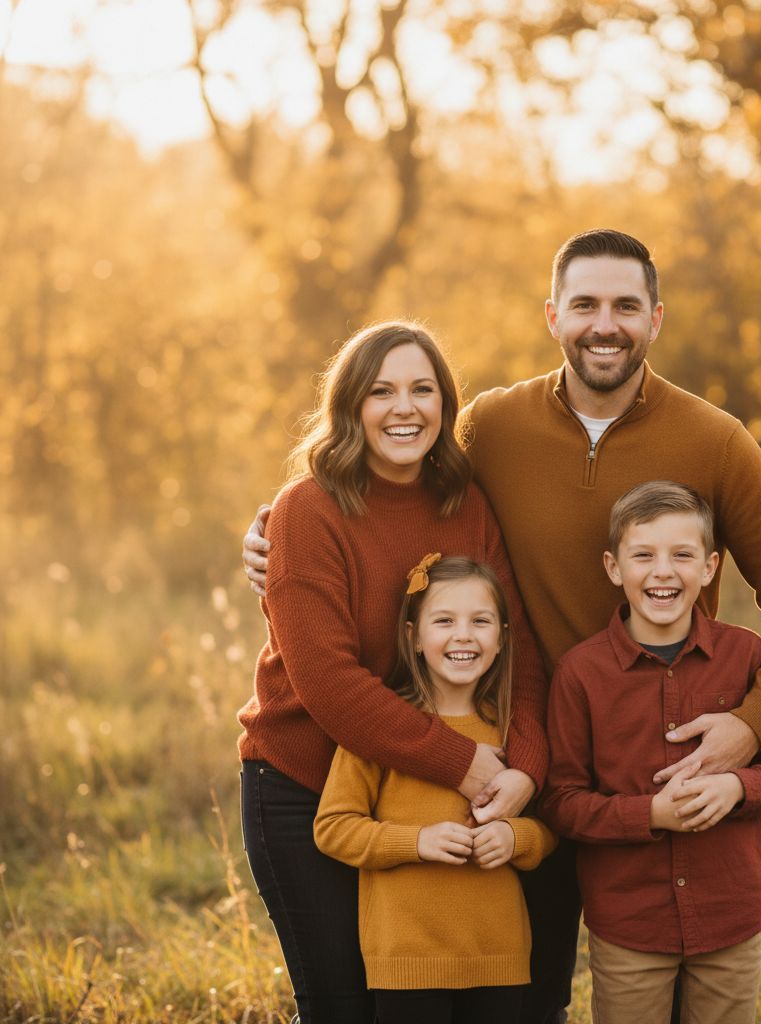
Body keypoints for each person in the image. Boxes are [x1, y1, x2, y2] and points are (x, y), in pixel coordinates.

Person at [243, 229, 761, 1022]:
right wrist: (272, 538)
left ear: (656, 318)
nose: (605, 324)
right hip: (463, 766)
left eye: (626, 306)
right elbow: (371, 482)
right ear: (552, 315)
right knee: (368, 1000)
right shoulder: (495, 427)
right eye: (585, 304)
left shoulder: (713, 440)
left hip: (589, 765)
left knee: (531, 1000)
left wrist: (749, 724)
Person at [237, 321, 549, 1023]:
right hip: (305, 782)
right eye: (380, 391)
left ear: (446, 405)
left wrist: (522, 770)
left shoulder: (464, 505)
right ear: (350, 407)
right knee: (343, 1005)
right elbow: (330, 686)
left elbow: (520, 651)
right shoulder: (307, 510)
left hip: (421, 789)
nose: (403, 407)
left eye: (421, 389)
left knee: (418, 999)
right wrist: (465, 763)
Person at [541, 481, 761, 1024]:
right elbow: (561, 800)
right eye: (644, 556)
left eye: (681, 555)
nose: (663, 571)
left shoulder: (744, 655)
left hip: (730, 916)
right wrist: (650, 814)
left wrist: (737, 787)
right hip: (630, 926)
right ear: (614, 568)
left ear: (709, 568)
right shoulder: (580, 674)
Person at [314, 555, 557, 1024]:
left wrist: (515, 839)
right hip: (407, 961)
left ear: (504, 638)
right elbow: (333, 828)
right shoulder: (382, 730)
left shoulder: (513, 731)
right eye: (444, 620)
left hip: (499, 958)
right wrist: (416, 841)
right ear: (414, 637)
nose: (463, 635)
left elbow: (551, 827)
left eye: (480, 621)